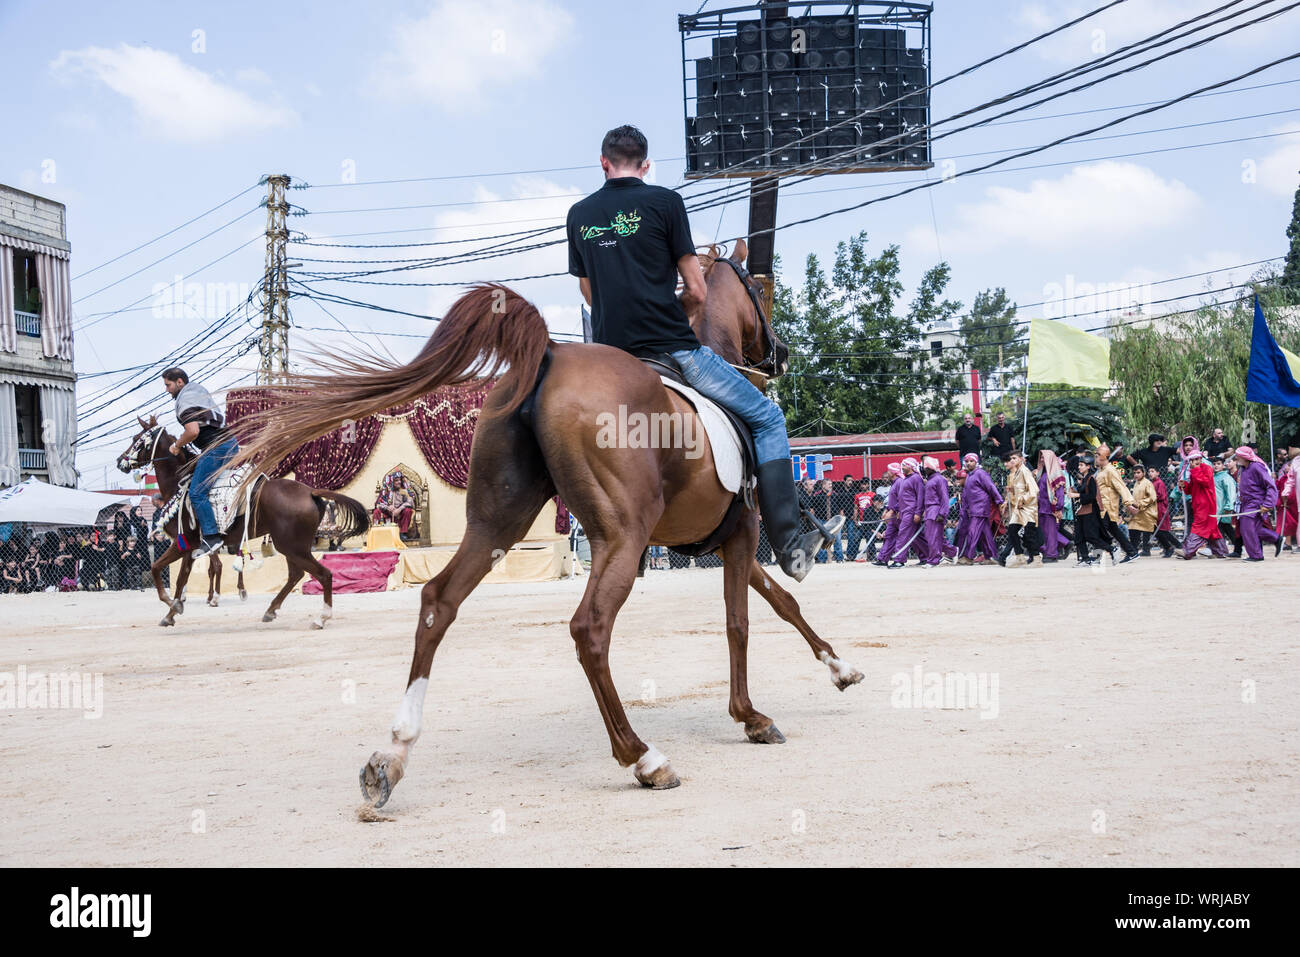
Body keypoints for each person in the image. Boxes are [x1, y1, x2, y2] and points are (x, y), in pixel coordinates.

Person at [567, 124, 839, 582]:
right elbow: (695, 289)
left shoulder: (580, 214)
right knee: (769, 418)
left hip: (610, 360)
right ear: (646, 164)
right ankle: (792, 547)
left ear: (603, 162)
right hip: (676, 353)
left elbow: (589, 293)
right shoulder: (665, 203)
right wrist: (680, 313)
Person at [162, 366, 238, 558]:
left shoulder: (185, 400)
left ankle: (212, 537)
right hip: (226, 444)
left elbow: (193, 431)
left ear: (180, 382)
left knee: (196, 492)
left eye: (168, 385)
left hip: (218, 448)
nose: (167, 390)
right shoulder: (197, 391)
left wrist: (177, 445)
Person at [1178, 449, 1230, 558]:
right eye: (1192, 460)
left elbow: (1205, 482)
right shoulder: (1193, 472)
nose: (1195, 461)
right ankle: (1221, 551)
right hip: (1198, 504)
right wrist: (1184, 485)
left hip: (1207, 504)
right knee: (1212, 529)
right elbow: (1191, 490)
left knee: (1199, 527)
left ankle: (1188, 551)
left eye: (1197, 459)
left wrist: (1195, 470)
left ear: (1201, 459)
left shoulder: (1207, 468)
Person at [1094, 444, 1139, 564]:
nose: (1096, 457)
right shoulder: (1101, 470)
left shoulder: (1110, 470)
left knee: (1099, 531)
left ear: (1104, 456)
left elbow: (1121, 487)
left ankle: (1098, 558)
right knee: (1114, 531)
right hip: (1102, 506)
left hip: (1107, 507)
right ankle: (1132, 552)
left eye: (1098, 455)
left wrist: (1129, 503)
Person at [1233, 446, 1279, 561]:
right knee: (1255, 529)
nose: (1236, 458)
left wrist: (1268, 504)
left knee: (1246, 527)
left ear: (1245, 457)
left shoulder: (1256, 467)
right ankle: (1277, 539)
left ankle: (1256, 555)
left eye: (1238, 456)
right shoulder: (1244, 468)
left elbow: (1271, 486)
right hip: (1246, 502)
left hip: (1256, 501)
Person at [956, 453, 1001, 564]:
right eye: (967, 461)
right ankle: (990, 556)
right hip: (973, 509)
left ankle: (968, 557)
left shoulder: (981, 473)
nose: (969, 463)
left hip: (980, 508)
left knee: (973, 531)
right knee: (984, 534)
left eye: (971, 461)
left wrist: (999, 500)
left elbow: (991, 487)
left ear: (976, 462)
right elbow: (966, 493)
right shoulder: (970, 475)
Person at [1000, 449, 1039, 566]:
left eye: (1014, 458)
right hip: (1018, 509)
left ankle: (1036, 558)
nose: (1012, 461)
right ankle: (1020, 557)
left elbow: (1034, 490)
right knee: (1012, 530)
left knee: (1028, 534)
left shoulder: (1025, 472)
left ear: (1021, 459)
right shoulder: (1017, 473)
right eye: (1011, 459)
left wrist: (1022, 499)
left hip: (1027, 508)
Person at [1069, 455, 1110, 565]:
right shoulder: (1084, 479)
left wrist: (1077, 495)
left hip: (1090, 511)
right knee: (1078, 537)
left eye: (1081, 465)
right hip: (1082, 511)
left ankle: (1111, 549)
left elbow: (1092, 496)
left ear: (1088, 466)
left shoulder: (1091, 479)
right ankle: (1085, 558)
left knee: (1091, 536)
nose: (1079, 467)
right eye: (1079, 465)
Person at [888, 457, 926, 567]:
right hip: (904, 511)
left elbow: (920, 497)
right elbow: (902, 497)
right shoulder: (905, 479)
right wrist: (899, 509)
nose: (902, 467)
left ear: (910, 467)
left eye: (904, 465)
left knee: (903, 534)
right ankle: (927, 557)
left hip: (911, 511)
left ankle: (899, 560)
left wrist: (918, 513)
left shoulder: (916, 478)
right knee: (917, 537)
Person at [920, 456, 956, 566]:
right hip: (930, 511)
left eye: (925, 468)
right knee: (936, 537)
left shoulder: (939, 479)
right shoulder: (931, 479)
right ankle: (953, 551)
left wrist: (942, 513)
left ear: (930, 468)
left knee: (932, 537)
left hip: (936, 511)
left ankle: (934, 560)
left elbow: (944, 497)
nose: (924, 470)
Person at [1035, 450, 1068, 561]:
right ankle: (1051, 550)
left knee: (1051, 532)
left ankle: (1052, 554)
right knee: (1045, 532)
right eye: (1041, 458)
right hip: (1042, 507)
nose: (1041, 460)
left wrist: (1059, 507)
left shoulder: (1056, 474)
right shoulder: (1042, 473)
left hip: (1051, 508)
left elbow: (1060, 493)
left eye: (1043, 458)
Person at [872, 463, 903, 567]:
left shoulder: (899, 482)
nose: (887, 473)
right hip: (892, 513)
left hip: (898, 514)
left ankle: (900, 560)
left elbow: (902, 499)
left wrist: (893, 510)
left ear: (893, 472)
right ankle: (882, 559)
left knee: (906, 537)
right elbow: (892, 500)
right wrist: (886, 510)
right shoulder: (894, 483)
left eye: (889, 471)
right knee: (889, 536)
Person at [1148, 467, 1179, 557]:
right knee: (1157, 530)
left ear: (1158, 473)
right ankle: (1169, 547)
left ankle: (1176, 545)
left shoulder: (1159, 483)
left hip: (1160, 509)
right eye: (1149, 471)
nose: (1150, 473)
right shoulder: (1152, 483)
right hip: (1154, 509)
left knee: (1163, 530)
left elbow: (1160, 496)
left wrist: (1148, 499)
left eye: (1152, 471)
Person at [1213, 456, 1240, 557]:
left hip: (1224, 510)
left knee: (1228, 530)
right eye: (1214, 464)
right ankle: (1222, 550)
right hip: (1216, 509)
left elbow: (1231, 493)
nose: (1216, 466)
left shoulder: (1226, 478)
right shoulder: (1213, 477)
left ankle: (1237, 549)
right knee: (1222, 530)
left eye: (1218, 464)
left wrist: (1229, 507)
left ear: (1223, 466)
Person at [1129, 464, 1158, 555]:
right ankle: (1134, 550)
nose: (1136, 475)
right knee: (1133, 529)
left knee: (1150, 531)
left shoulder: (1147, 483)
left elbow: (1152, 497)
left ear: (1143, 473)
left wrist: (1139, 504)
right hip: (1138, 513)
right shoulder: (1136, 483)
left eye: (1138, 472)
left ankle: (1168, 547)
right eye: (1134, 473)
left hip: (1147, 512)